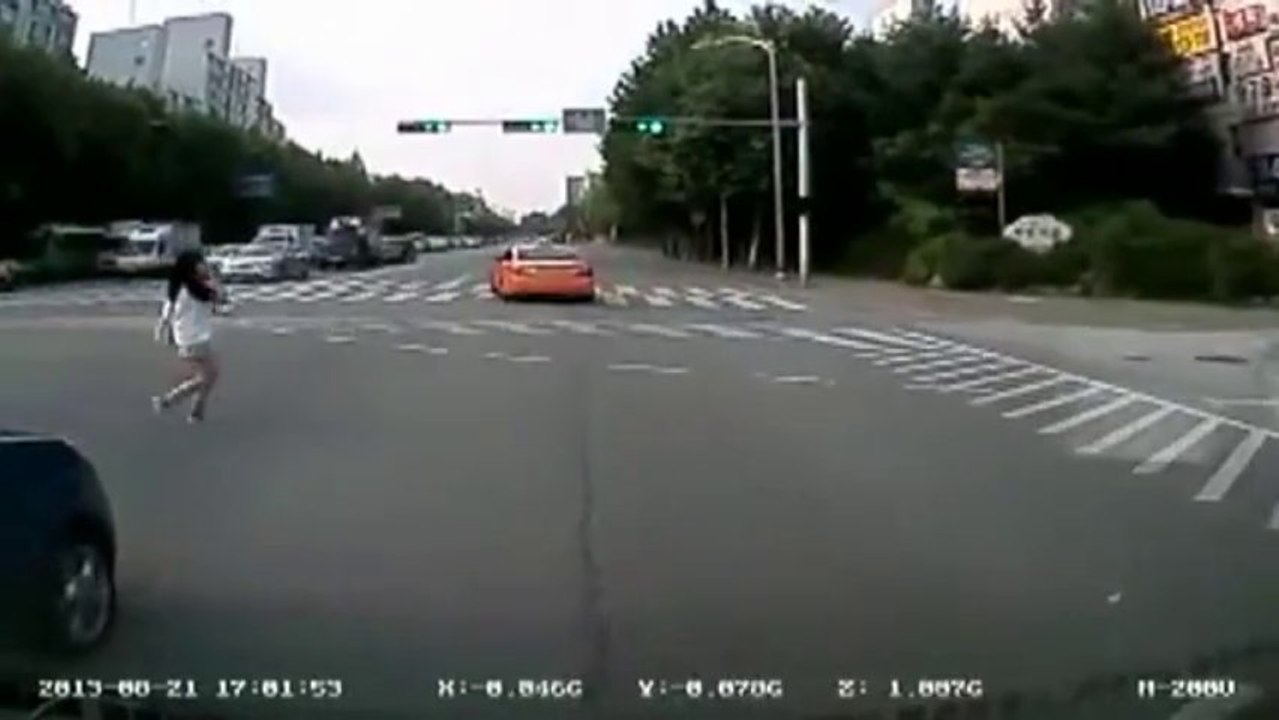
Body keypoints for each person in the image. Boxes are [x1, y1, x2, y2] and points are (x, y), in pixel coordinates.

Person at [152, 250, 227, 423]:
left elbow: (167, 311)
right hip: (196, 338)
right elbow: (220, 297)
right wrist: (214, 277)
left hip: (186, 338)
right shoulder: (195, 289)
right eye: (201, 263)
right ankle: (172, 403)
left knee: (207, 376)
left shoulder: (179, 288)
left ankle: (190, 408)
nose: (204, 266)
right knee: (208, 376)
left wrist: (163, 329)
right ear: (192, 267)